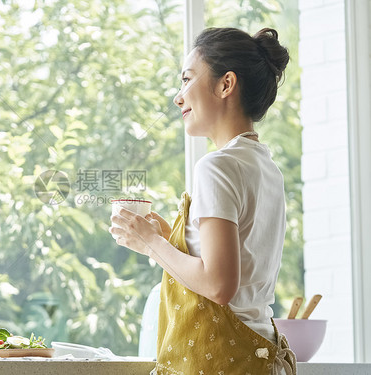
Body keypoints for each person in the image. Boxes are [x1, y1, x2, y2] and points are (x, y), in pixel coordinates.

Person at [110, 27, 296, 375]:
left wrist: (151, 244)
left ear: (226, 84)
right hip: (257, 355)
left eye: (187, 80)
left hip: (224, 360)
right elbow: (238, 273)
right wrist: (169, 240)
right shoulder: (264, 165)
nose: (178, 97)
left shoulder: (217, 165)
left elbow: (218, 285)